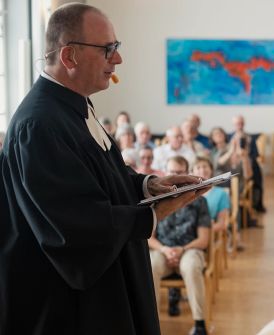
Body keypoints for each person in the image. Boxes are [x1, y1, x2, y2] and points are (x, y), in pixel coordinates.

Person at [0, 4, 207, 334]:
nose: (118, 59)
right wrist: (153, 215)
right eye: (108, 49)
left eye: (117, 47)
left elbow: (102, 176)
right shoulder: (39, 125)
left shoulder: (75, 104)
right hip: (65, 306)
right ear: (70, 57)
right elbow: (73, 227)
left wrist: (148, 185)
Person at [149, 156, 211, 335]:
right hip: (163, 250)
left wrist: (182, 249)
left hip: (189, 249)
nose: (175, 176)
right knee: (151, 266)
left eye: (179, 172)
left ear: (187, 174)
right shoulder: (155, 199)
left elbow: (203, 239)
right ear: (165, 173)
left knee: (191, 266)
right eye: (172, 172)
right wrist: (165, 250)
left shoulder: (200, 201)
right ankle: (151, 323)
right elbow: (148, 237)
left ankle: (200, 324)